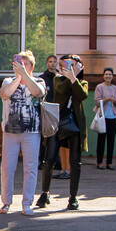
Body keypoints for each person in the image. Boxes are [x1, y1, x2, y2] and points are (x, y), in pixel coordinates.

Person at [37, 54, 88, 211]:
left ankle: (73, 197)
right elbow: (62, 90)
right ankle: (44, 193)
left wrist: (74, 78)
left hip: (75, 125)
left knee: (75, 161)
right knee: (50, 159)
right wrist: (70, 77)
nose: (70, 68)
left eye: (74, 65)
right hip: (58, 124)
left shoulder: (83, 82)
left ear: (80, 67)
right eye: (68, 64)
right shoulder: (58, 79)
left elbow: (82, 95)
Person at [0, 51, 46, 215]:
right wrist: (18, 77)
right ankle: (6, 202)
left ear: (32, 67)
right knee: (7, 168)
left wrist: (25, 75)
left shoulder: (39, 81)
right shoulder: (8, 81)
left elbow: (38, 93)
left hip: (31, 131)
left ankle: (27, 203)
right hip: (10, 132)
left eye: (25, 64)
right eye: (19, 63)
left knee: (30, 168)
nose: (21, 66)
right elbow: (4, 94)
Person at [94, 68, 116, 170]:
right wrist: (107, 99)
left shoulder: (115, 88)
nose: (108, 76)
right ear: (103, 76)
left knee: (111, 140)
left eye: (110, 74)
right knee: (101, 140)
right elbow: (97, 102)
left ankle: (109, 162)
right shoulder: (99, 87)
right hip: (103, 116)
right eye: (106, 74)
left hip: (113, 116)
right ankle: (99, 162)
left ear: (112, 76)